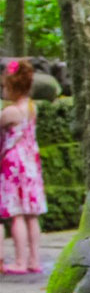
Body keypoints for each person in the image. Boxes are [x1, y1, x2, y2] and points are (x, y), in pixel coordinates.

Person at [0, 59, 44, 274]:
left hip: (14, 163)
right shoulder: (31, 107)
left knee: (16, 213)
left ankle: (19, 260)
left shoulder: (11, 112)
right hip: (31, 162)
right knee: (31, 214)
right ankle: (34, 260)